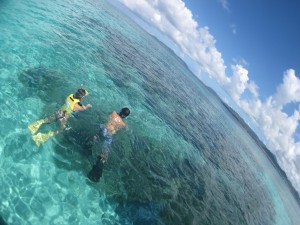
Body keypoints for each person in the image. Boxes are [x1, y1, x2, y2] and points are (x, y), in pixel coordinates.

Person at [28, 88, 92, 147]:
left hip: (58, 112)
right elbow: (83, 108)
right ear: (82, 98)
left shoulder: (70, 96)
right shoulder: (76, 106)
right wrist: (87, 106)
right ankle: (40, 137)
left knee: (46, 120)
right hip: (63, 118)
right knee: (61, 130)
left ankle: (33, 127)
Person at [87, 107, 130, 182]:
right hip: (109, 135)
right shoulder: (123, 124)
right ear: (125, 116)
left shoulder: (113, 113)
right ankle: (98, 167)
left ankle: (89, 144)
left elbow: (107, 113)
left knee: (97, 135)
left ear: (120, 110)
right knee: (105, 153)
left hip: (104, 129)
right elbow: (127, 129)